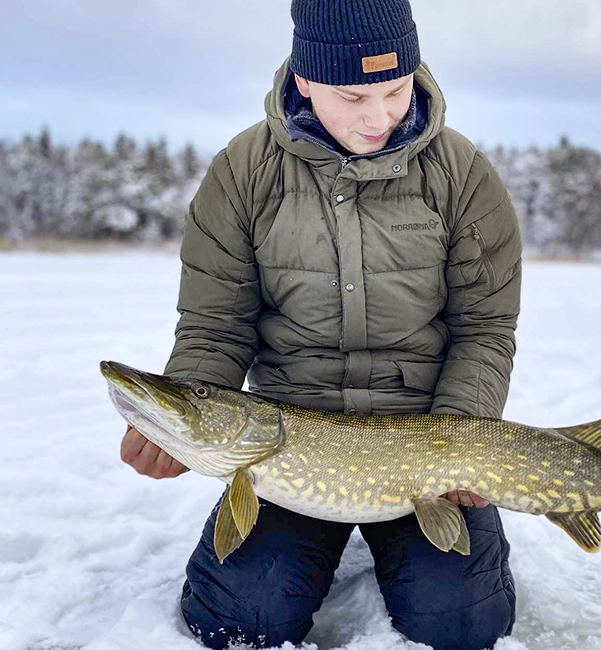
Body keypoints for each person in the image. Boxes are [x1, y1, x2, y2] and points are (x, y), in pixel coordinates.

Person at [119, 1, 522, 648]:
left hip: (424, 438)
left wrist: (459, 443)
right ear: (304, 80)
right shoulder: (242, 174)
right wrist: (181, 419)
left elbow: (484, 331)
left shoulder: (463, 176)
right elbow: (215, 327)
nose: (380, 117)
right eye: (354, 95)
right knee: (237, 620)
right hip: (285, 440)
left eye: (397, 90)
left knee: (463, 625)